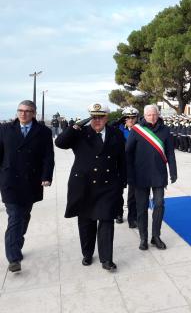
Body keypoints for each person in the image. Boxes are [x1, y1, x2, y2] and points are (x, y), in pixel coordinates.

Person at [55, 103, 126, 271]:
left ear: (106, 117)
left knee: (107, 220)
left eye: (101, 117)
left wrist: (123, 181)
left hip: (108, 184)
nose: (97, 120)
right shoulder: (80, 132)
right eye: (94, 117)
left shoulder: (115, 133)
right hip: (84, 184)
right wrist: (74, 127)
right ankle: (87, 253)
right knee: (86, 221)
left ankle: (106, 259)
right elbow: (60, 143)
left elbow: (122, 159)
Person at [0, 100, 54, 273]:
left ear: (34, 113)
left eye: (28, 111)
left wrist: (46, 176)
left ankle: (17, 242)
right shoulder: (4, 129)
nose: (23, 114)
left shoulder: (43, 131)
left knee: (24, 216)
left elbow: (48, 156)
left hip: (31, 181)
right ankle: (13, 258)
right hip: (10, 180)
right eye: (20, 110)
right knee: (15, 216)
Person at [126, 105, 177, 251]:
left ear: (158, 114)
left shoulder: (165, 130)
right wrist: (129, 174)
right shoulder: (136, 130)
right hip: (140, 175)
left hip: (159, 174)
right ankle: (143, 238)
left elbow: (170, 152)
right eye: (149, 115)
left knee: (159, 204)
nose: (152, 117)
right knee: (141, 207)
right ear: (144, 116)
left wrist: (173, 171)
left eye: (154, 114)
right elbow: (128, 153)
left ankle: (156, 236)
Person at [113, 107, 140, 228]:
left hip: (135, 165)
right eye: (128, 117)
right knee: (118, 191)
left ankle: (132, 218)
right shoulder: (117, 129)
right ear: (124, 119)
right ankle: (118, 213)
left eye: (133, 117)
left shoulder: (141, 130)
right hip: (119, 165)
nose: (130, 120)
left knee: (133, 194)